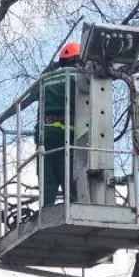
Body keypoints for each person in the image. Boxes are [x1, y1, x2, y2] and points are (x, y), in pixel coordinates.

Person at [38, 42, 81, 206]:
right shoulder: (77, 77)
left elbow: (36, 97)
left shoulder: (46, 79)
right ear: (77, 60)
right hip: (66, 135)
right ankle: (74, 208)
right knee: (70, 182)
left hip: (44, 135)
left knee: (47, 183)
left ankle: (45, 210)